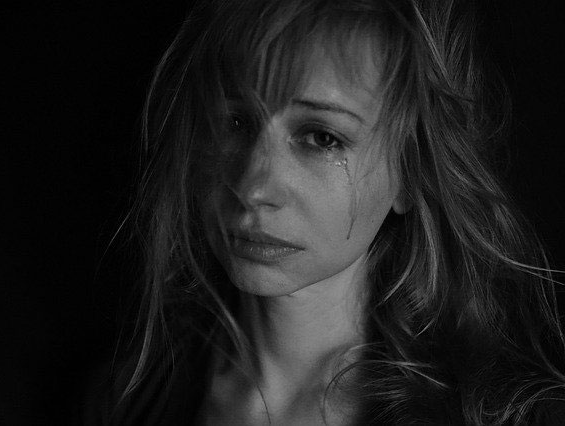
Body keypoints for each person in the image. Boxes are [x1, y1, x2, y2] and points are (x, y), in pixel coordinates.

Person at [91, 0, 565, 424]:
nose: (253, 187)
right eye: (236, 122)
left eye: (322, 137)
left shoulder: (497, 413)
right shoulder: (126, 397)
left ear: (412, 174)